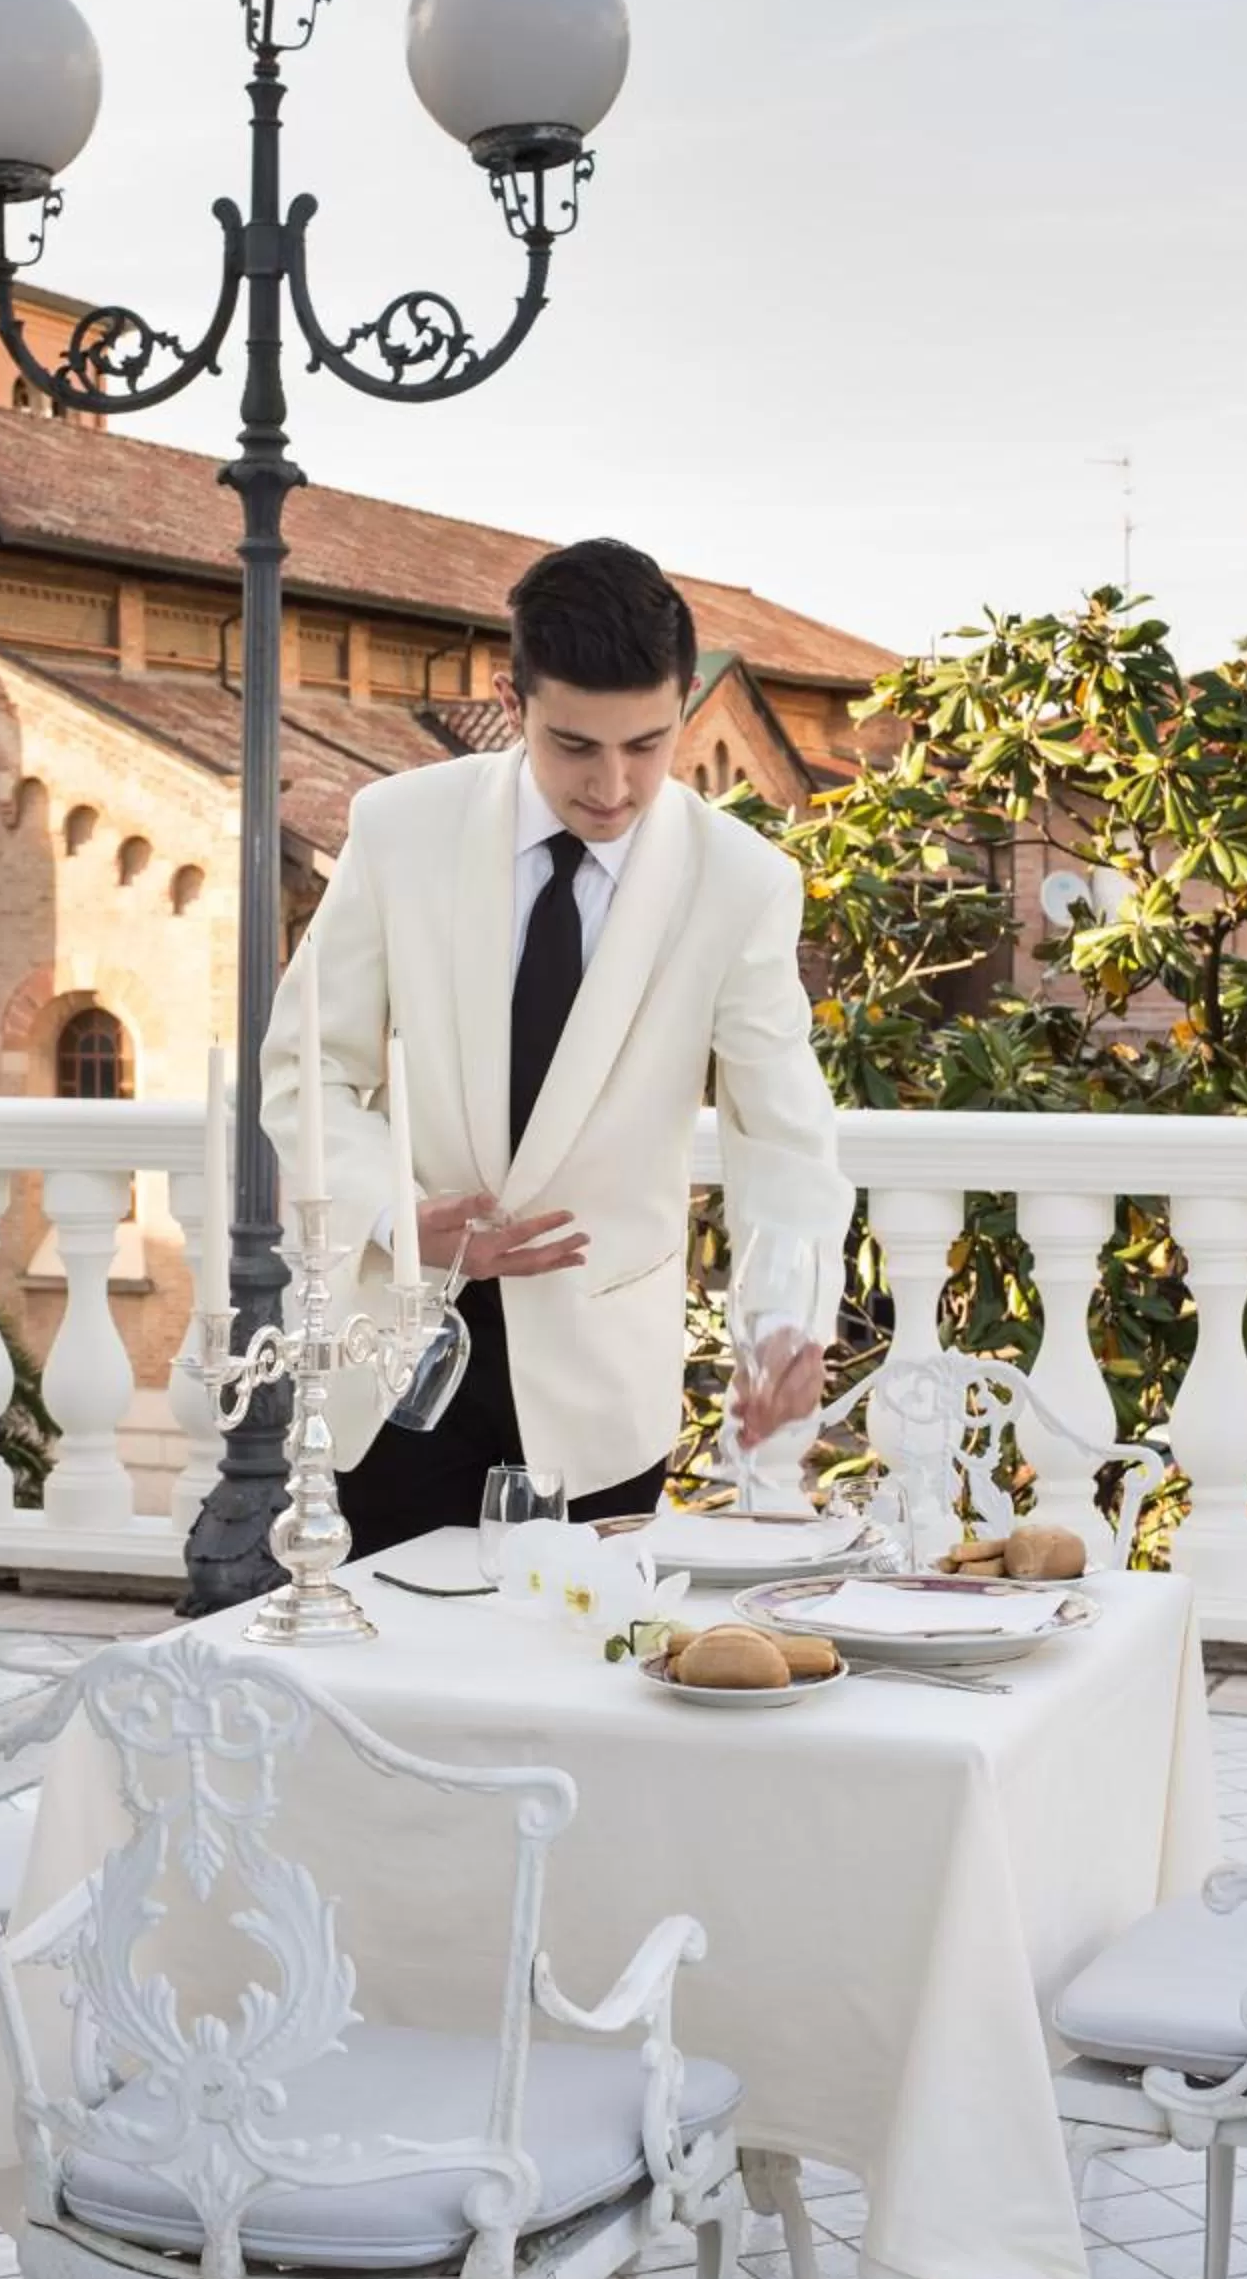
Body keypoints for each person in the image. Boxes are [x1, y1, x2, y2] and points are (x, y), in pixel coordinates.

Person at [259, 535, 853, 1560]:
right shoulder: (398, 828)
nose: (614, 786)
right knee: (388, 1687)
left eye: (648, 744)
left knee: (582, 1691)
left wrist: (784, 1326)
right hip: (395, 1362)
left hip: (599, 1386)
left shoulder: (742, 881)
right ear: (511, 698)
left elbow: (783, 1134)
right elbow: (309, 1068)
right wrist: (396, 1218)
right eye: (576, 745)